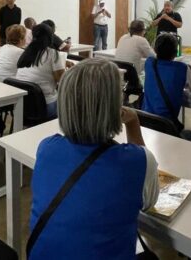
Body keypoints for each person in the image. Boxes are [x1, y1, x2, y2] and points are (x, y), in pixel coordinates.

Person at [29, 59, 158, 259]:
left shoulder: (46, 148)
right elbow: (148, 202)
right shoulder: (137, 161)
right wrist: (133, 124)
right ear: (114, 106)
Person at [142, 33, 191, 126]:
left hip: (145, 121)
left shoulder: (149, 63)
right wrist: (181, 93)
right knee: (189, 134)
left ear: (155, 50)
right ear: (175, 52)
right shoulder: (182, 68)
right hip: (166, 126)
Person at [16, 23, 66, 118]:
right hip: (45, 105)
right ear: (50, 37)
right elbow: (62, 80)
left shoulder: (26, 52)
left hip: (23, 105)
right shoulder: (52, 54)